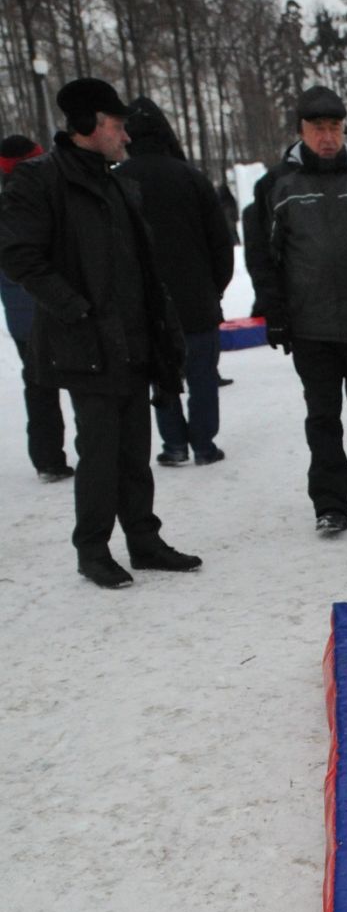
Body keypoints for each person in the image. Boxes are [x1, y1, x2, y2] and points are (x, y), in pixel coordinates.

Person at [0, 77, 198, 589]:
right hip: (84, 340)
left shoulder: (117, 181)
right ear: (88, 126)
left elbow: (140, 265)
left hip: (132, 337)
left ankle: (144, 540)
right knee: (101, 450)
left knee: (135, 446)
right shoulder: (39, 180)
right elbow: (19, 255)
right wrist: (76, 308)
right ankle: (93, 549)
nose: (126, 136)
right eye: (117, 126)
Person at [244, 84, 347, 536]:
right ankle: (330, 502)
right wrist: (272, 310)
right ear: (301, 131)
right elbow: (262, 256)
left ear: (345, 129)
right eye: (318, 128)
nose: (327, 137)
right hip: (311, 325)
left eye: (334, 127)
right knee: (323, 417)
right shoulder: (276, 184)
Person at [117, 97, 234, 467]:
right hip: (196, 296)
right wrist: (214, 287)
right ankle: (203, 444)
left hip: (146, 303)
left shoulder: (117, 180)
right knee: (202, 376)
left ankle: (173, 444)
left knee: (162, 376)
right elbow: (221, 243)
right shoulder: (192, 178)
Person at [0, 134, 71, 480]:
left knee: (38, 385)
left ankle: (47, 460)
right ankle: (96, 452)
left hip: (19, 315)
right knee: (83, 377)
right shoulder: (41, 194)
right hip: (54, 305)